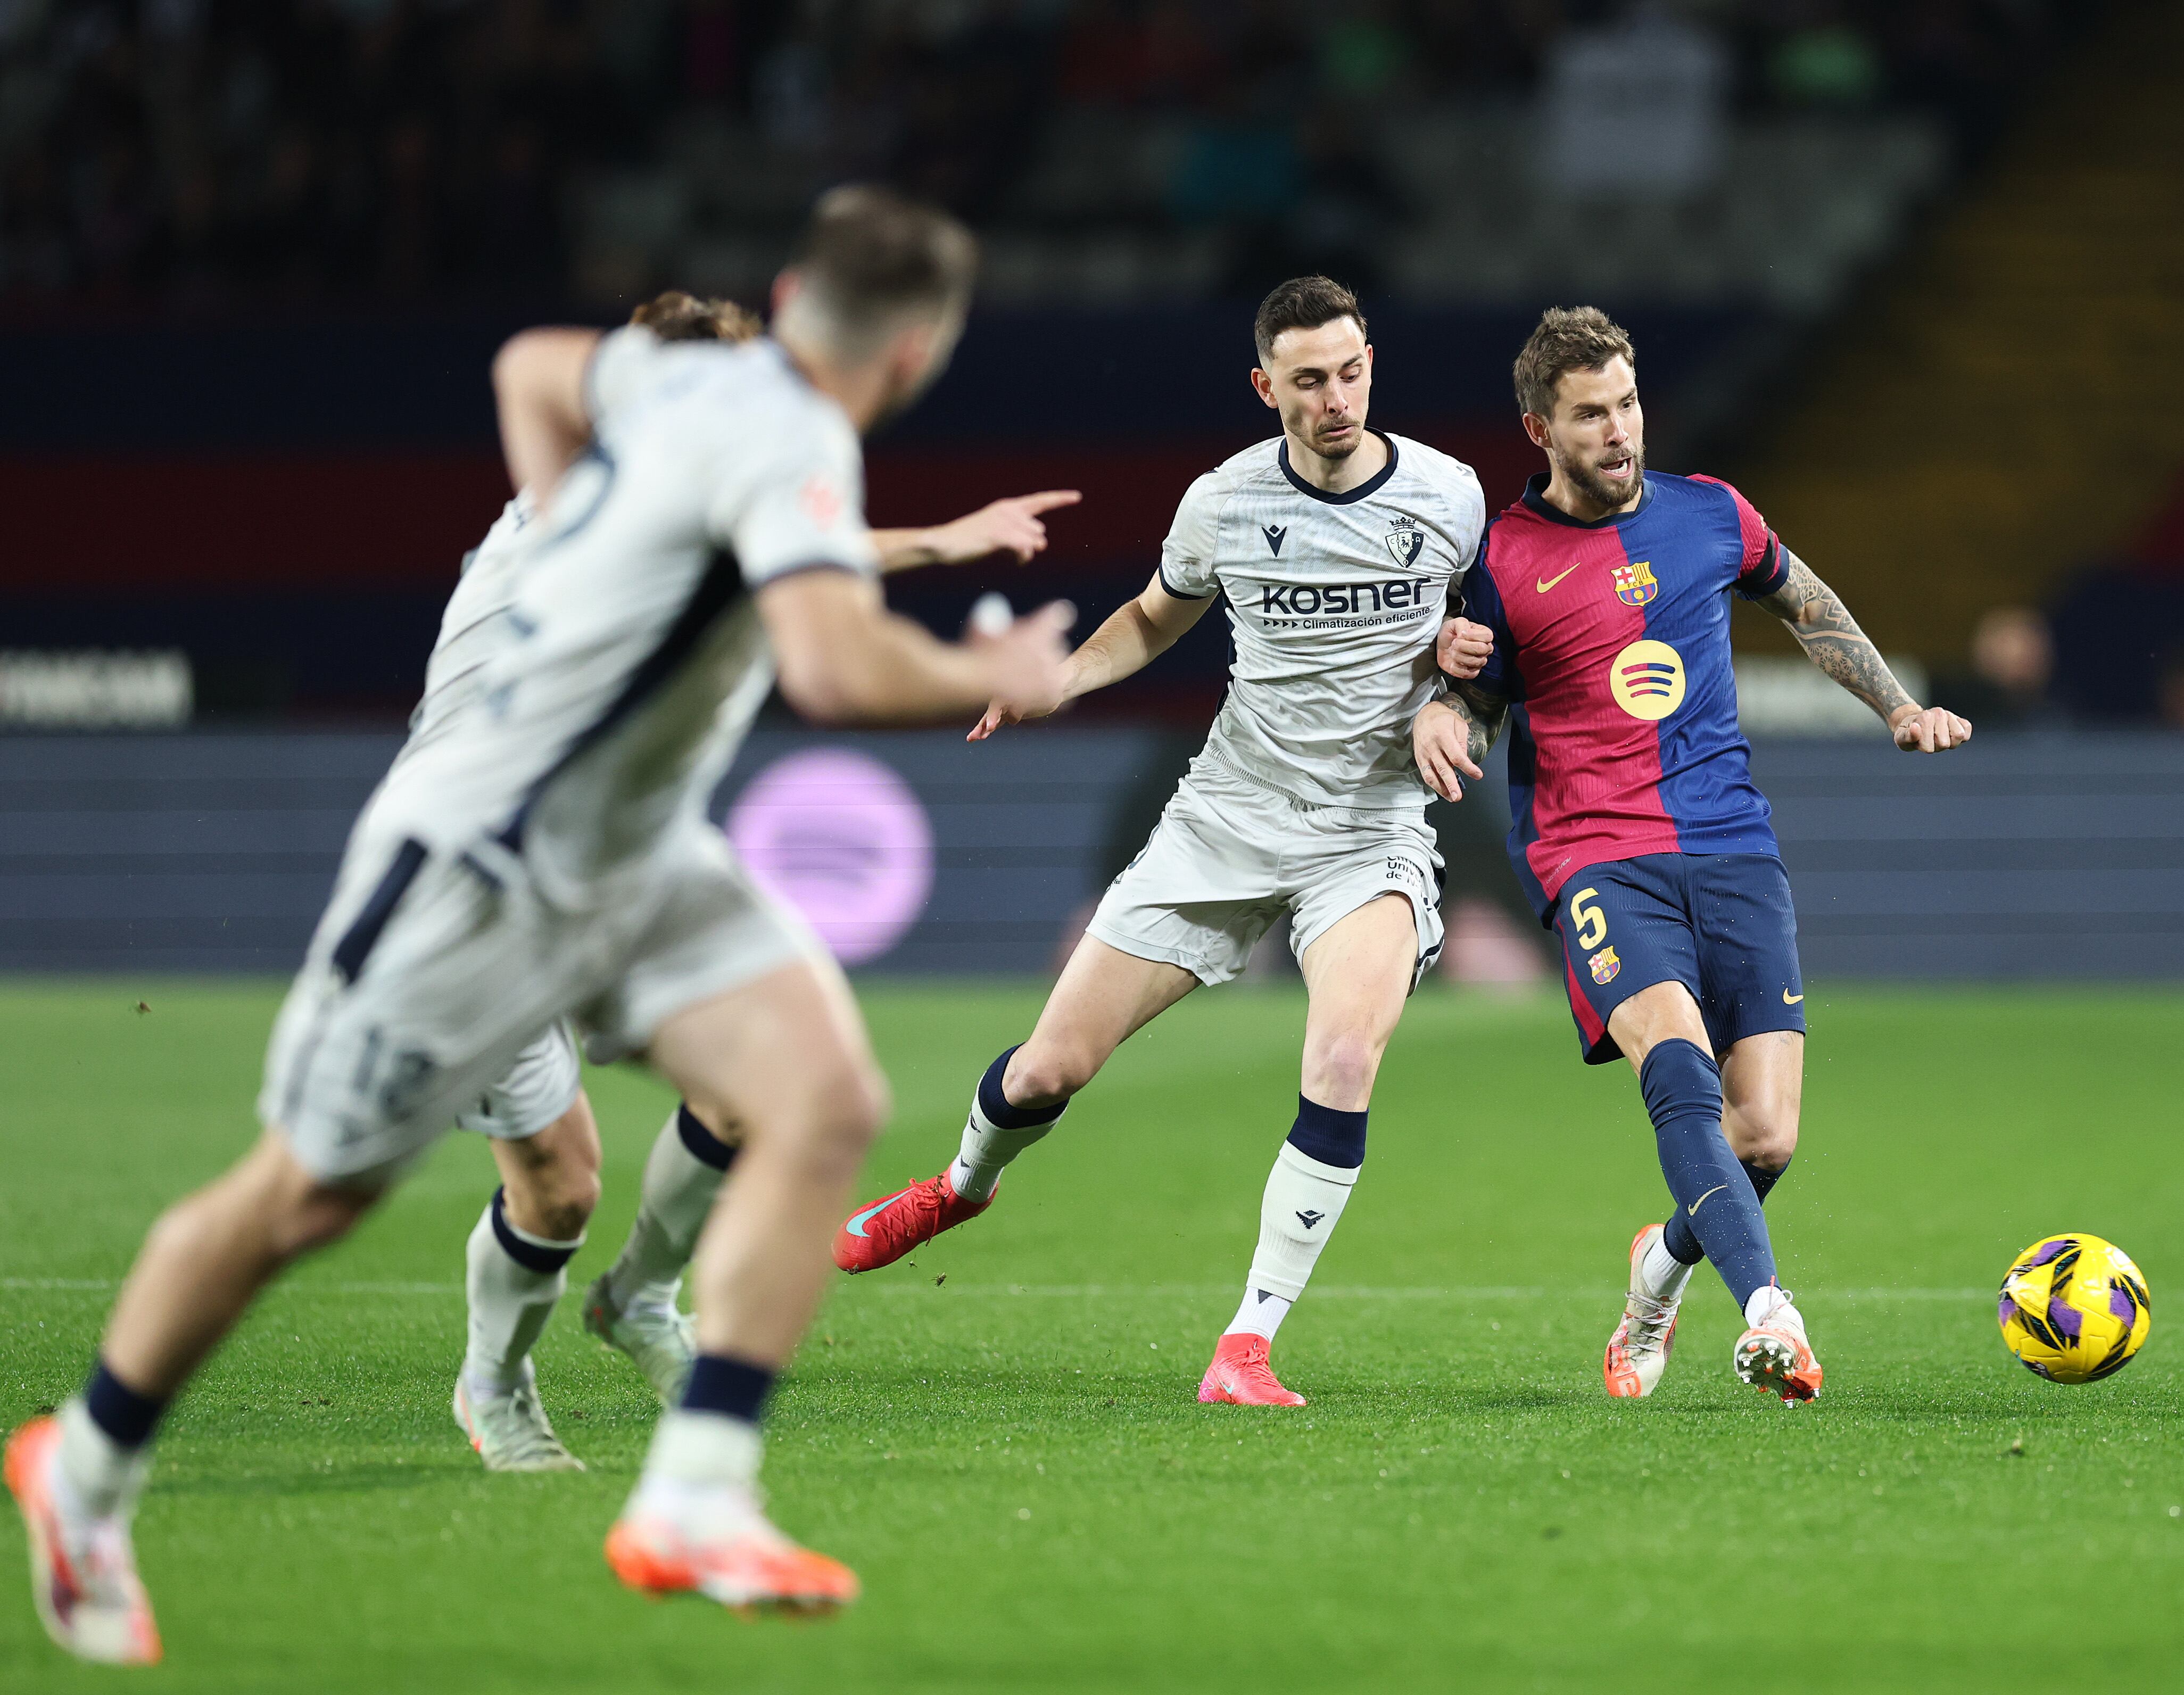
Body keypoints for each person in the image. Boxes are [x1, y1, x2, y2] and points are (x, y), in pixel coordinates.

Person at [5, 184, 1073, 1665]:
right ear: (918, 353)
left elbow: (524, 364)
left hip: (636, 862)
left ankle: (698, 1490)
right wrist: (1000, 672)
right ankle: (88, 1461)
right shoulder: (789, 434)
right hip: (483, 869)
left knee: (821, 1092)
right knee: (302, 1199)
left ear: (790, 291)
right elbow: (827, 665)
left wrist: (569, 508)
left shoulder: (677, 381)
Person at [436, 291, 1082, 1473]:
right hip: (491, 872)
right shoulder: (579, 506)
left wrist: (943, 540)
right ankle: (493, 1382)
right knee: (555, 1190)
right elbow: (814, 620)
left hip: (630, 862)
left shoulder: (701, 500)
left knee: (765, 1091)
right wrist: (969, 664)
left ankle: (636, 1302)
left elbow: (779, 541)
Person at [830, 275, 1494, 1409]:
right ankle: (962, 1183)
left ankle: (1247, 1344)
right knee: (1048, 1069)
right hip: (1224, 820)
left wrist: (1454, 702)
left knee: (1341, 1059)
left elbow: (1490, 649)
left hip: (1367, 834)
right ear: (1263, 387)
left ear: (1371, 364)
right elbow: (1152, 616)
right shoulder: (1224, 501)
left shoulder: (1451, 495)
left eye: (1350, 372)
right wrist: (1057, 679)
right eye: (1307, 382)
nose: (1335, 400)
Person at [1413, 305, 1971, 1407]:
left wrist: (1898, 708)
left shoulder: (1712, 512)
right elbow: (1475, 697)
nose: (1618, 431)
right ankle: (1772, 1316)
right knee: (1676, 1069)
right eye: (1589, 415)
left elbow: (1808, 604)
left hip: (1732, 846)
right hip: (1595, 857)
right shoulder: (1503, 560)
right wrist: (1448, 720)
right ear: (1541, 430)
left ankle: (1660, 1269)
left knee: (1761, 1135)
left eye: (1625, 404)